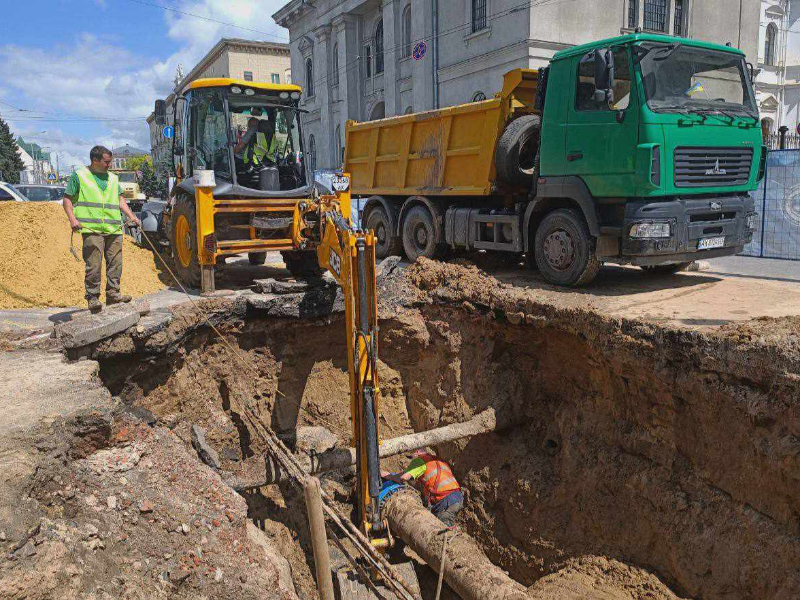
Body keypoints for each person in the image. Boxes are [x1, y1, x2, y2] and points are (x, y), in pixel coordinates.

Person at [62, 146, 141, 314]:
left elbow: (120, 200)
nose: (110, 164)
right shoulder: (80, 176)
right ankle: (92, 297)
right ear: (95, 160)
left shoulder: (113, 178)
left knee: (116, 263)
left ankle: (113, 294)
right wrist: (72, 219)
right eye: (107, 161)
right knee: (94, 265)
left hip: (114, 228)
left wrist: (131, 216)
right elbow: (67, 200)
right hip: (92, 229)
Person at [381, 449, 464, 527]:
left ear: (417, 452)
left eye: (411, 457)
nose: (411, 460)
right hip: (457, 497)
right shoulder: (438, 460)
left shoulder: (419, 460)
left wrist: (389, 476)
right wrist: (392, 476)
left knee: (443, 533)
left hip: (446, 501)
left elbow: (403, 477)